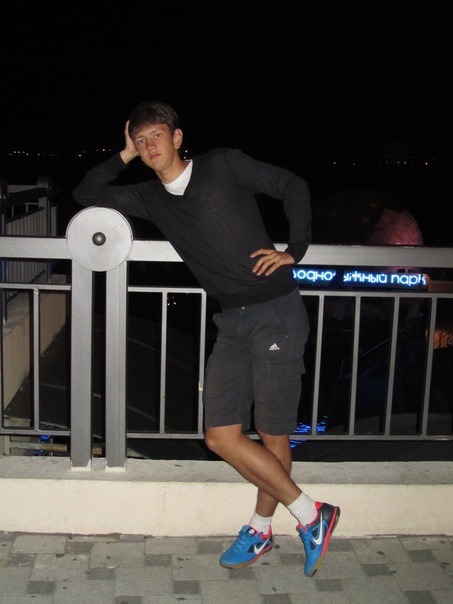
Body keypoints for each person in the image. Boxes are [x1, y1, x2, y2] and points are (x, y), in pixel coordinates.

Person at [73, 101, 340, 576]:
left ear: (177, 138)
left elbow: (292, 186)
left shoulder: (222, 165)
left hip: (275, 312)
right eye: (141, 140)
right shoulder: (149, 197)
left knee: (273, 433)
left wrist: (294, 250)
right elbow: (86, 192)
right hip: (231, 321)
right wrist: (123, 154)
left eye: (156, 135)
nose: (149, 145)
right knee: (219, 436)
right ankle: (310, 514)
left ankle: (261, 529)